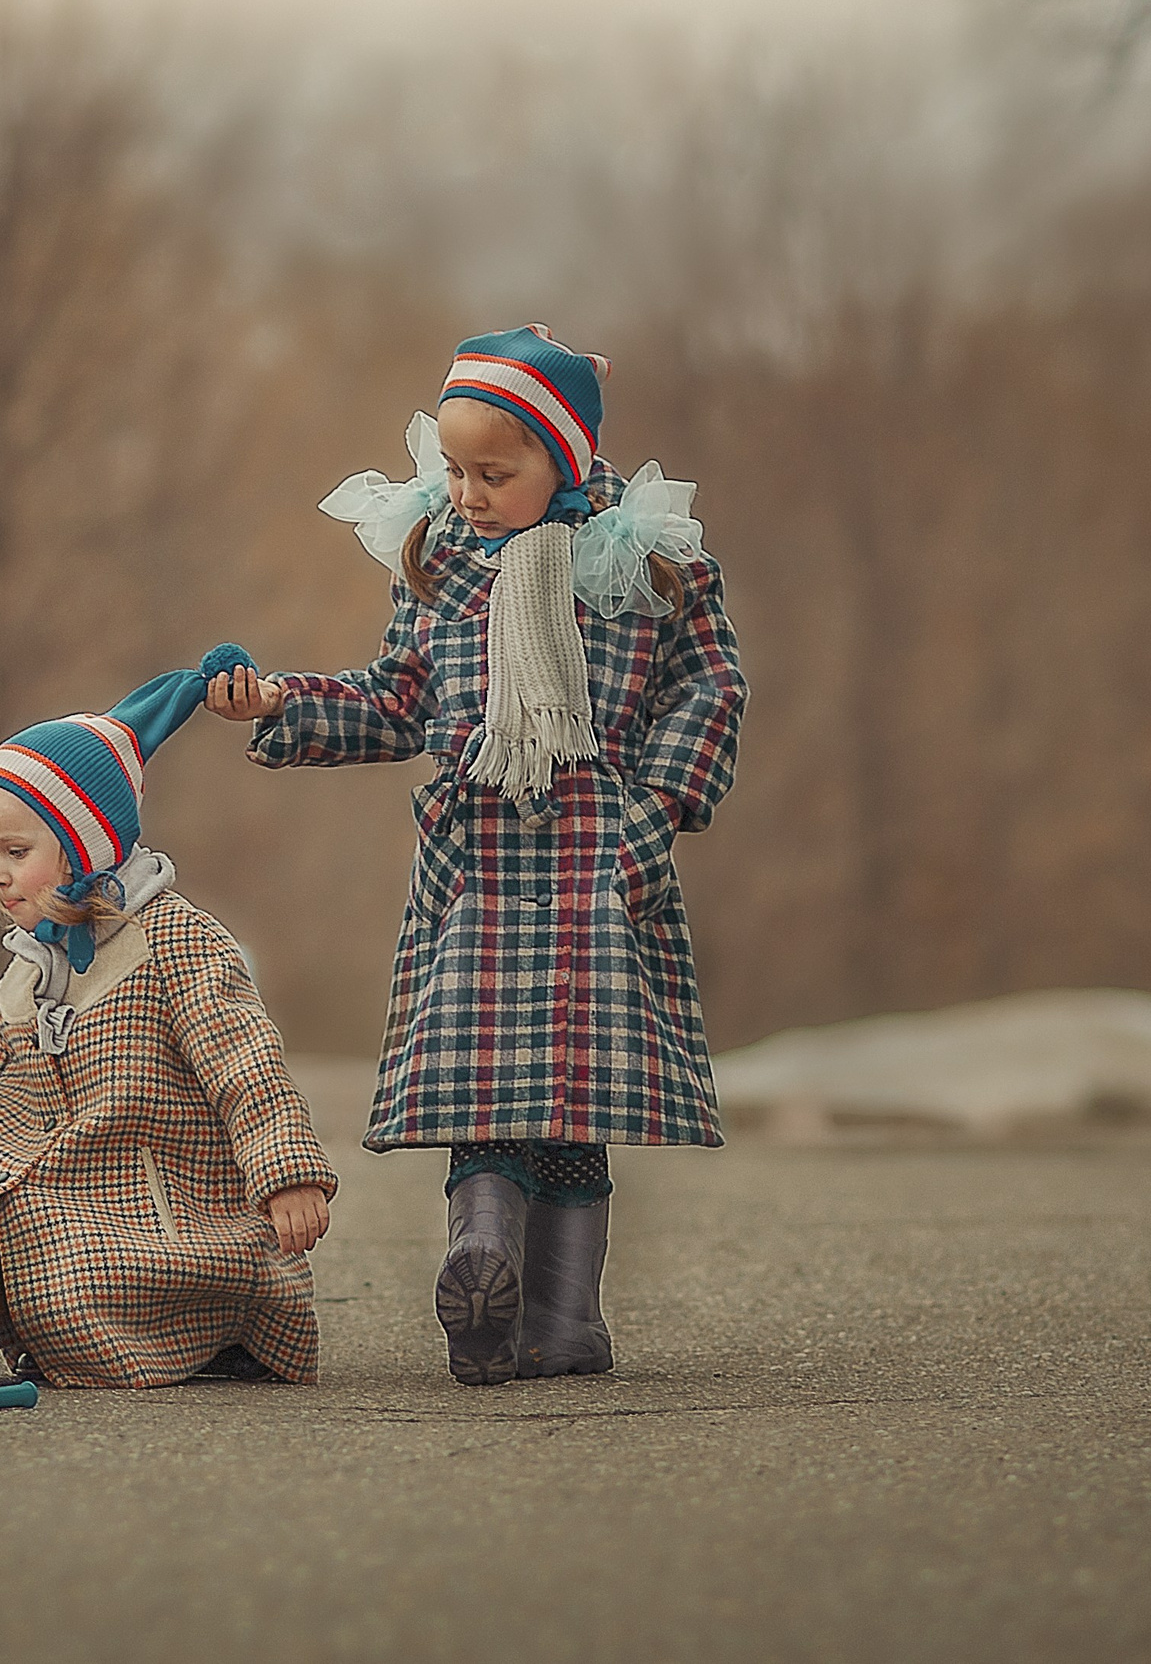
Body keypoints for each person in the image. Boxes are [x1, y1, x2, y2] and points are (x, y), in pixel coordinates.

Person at [207, 326, 748, 1383]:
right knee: (482, 1081)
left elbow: (710, 685)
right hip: (480, 861)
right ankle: (481, 1252)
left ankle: (560, 1317)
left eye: (493, 473)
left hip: (601, 854)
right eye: (453, 469)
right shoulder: (440, 561)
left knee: (571, 1093)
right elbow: (397, 698)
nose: (464, 492)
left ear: (563, 456)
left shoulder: (647, 559)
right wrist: (281, 701)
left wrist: (658, 807)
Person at [0, 650, 339, 1387]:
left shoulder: (175, 940)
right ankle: (22, 1327)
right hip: (80, 1178)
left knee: (42, 1230)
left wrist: (287, 1175)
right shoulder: (31, 967)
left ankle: (204, 1320)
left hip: (173, 1206)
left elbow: (246, 1063)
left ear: (86, 844)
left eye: (17, 851)